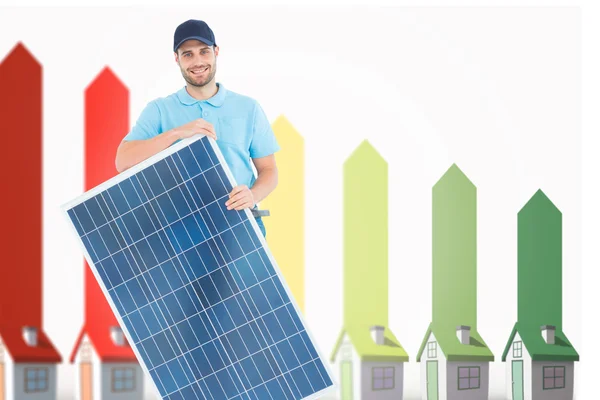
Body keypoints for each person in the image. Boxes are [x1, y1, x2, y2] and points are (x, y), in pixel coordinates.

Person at [115, 19, 279, 237]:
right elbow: (123, 161)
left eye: (204, 51)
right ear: (177, 59)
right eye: (188, 54)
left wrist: (253, 194)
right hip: (179, 230)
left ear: (216, 52)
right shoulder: (160, 110)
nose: (197, 61)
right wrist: (177, 133)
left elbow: (269, 170)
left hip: (240, 227)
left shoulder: (248, 108)